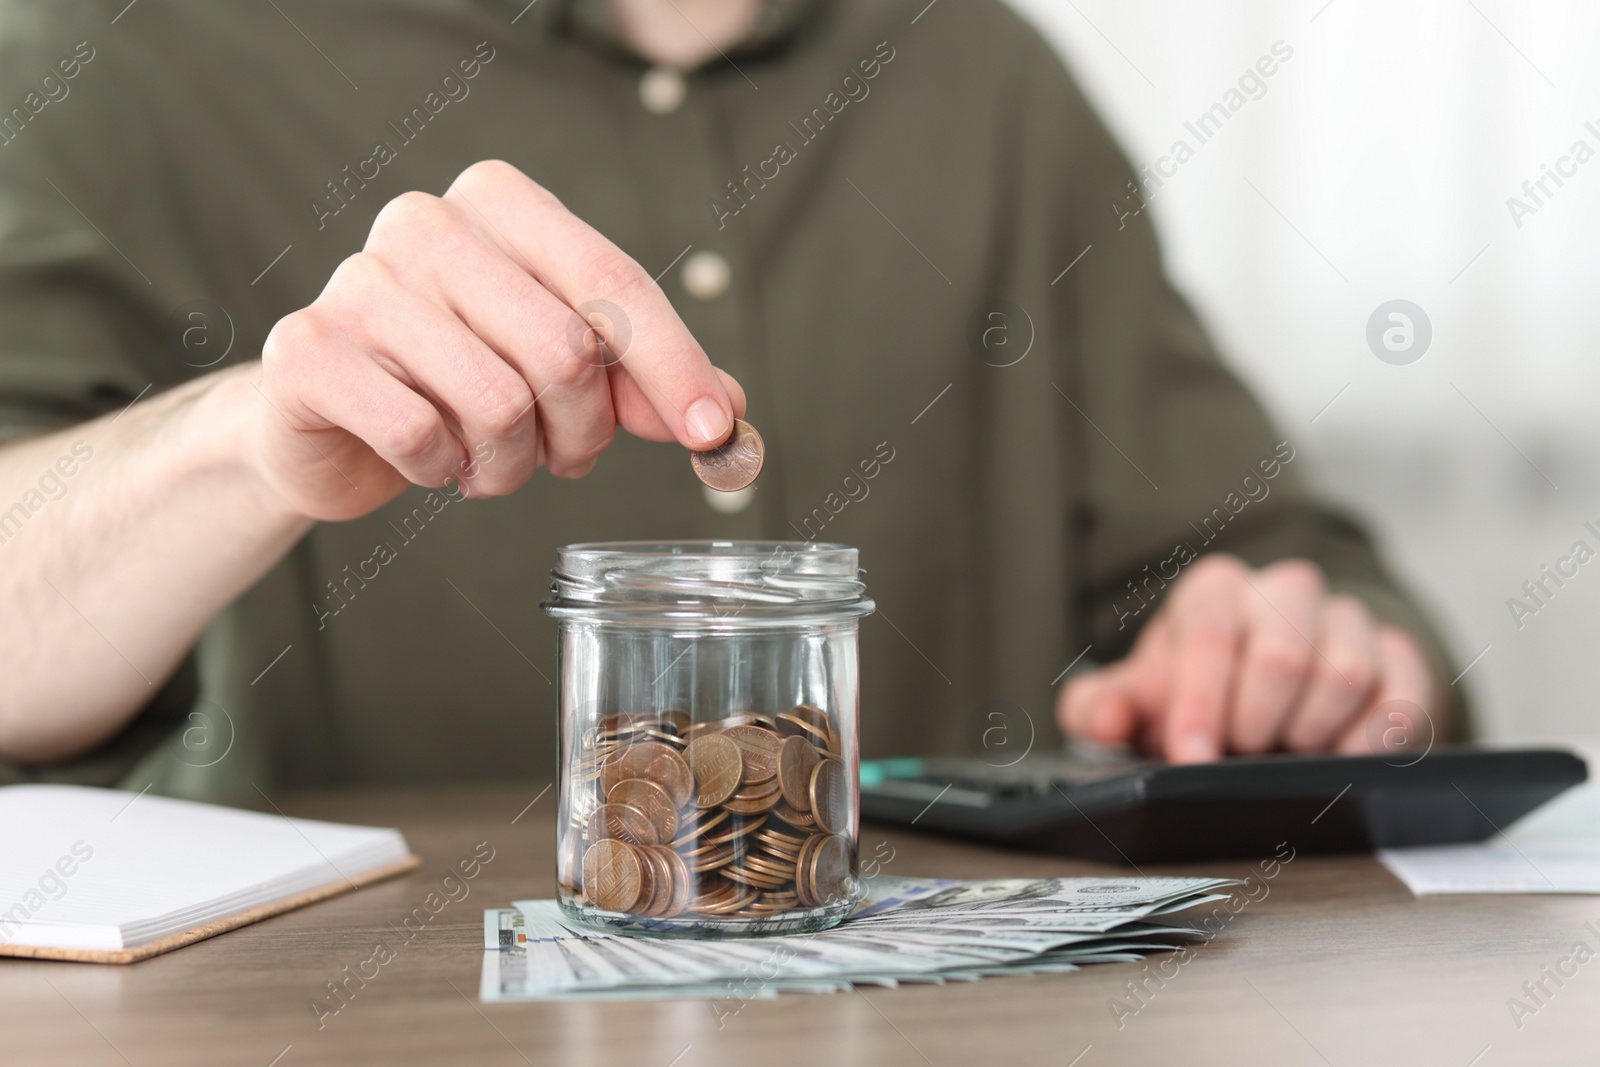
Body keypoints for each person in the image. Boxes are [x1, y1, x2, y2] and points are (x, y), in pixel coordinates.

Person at [0, 0, 1455, 799]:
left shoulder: (986, 74)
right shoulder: (109, 54)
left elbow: (1288, 568)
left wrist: (1305, 648)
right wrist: (242, 441)